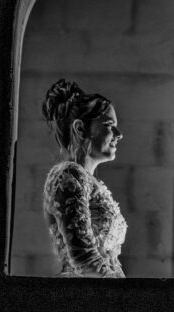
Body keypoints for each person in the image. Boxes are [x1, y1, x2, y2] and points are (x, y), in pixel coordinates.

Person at [41, 79, 127, 278]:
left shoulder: (85, 179)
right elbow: (84, 258)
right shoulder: (69, 175)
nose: (119, 134)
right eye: (109, 125)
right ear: (80, 129)